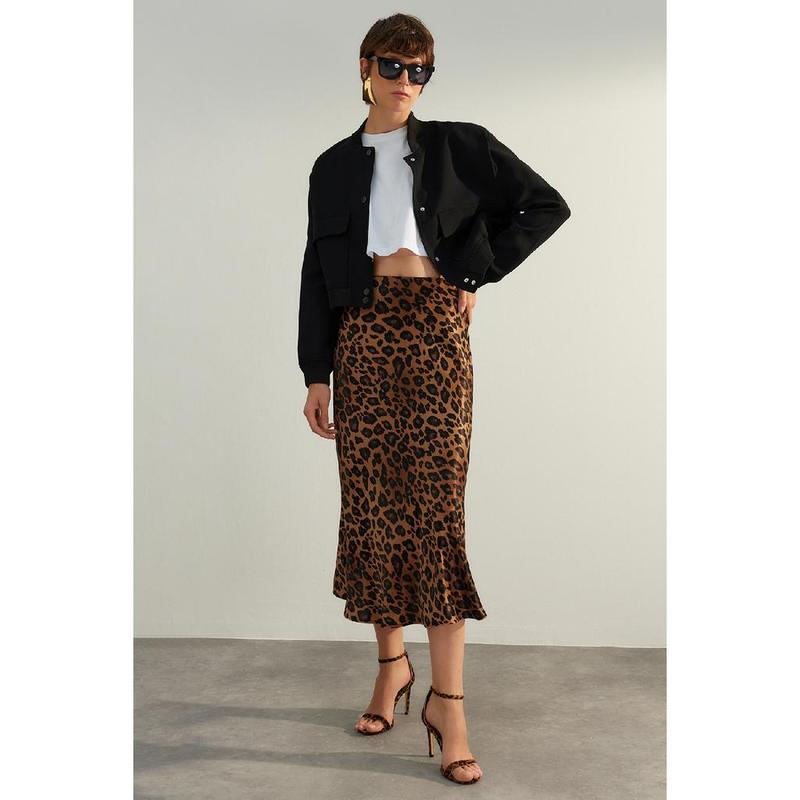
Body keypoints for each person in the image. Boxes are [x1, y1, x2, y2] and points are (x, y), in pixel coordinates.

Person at [297, 13, 570, 785]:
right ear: (364, 67)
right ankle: (392, 669)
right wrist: (315, 373)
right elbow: (315, 271)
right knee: (374, 509)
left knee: (436, 517)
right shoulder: (331, 167)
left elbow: (544, 206)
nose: (406, 82)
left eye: (420, 71)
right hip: (362, 340)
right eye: (393, 66)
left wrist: (472, 271)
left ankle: (448, 705)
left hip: (435, 338)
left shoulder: (460, 145)